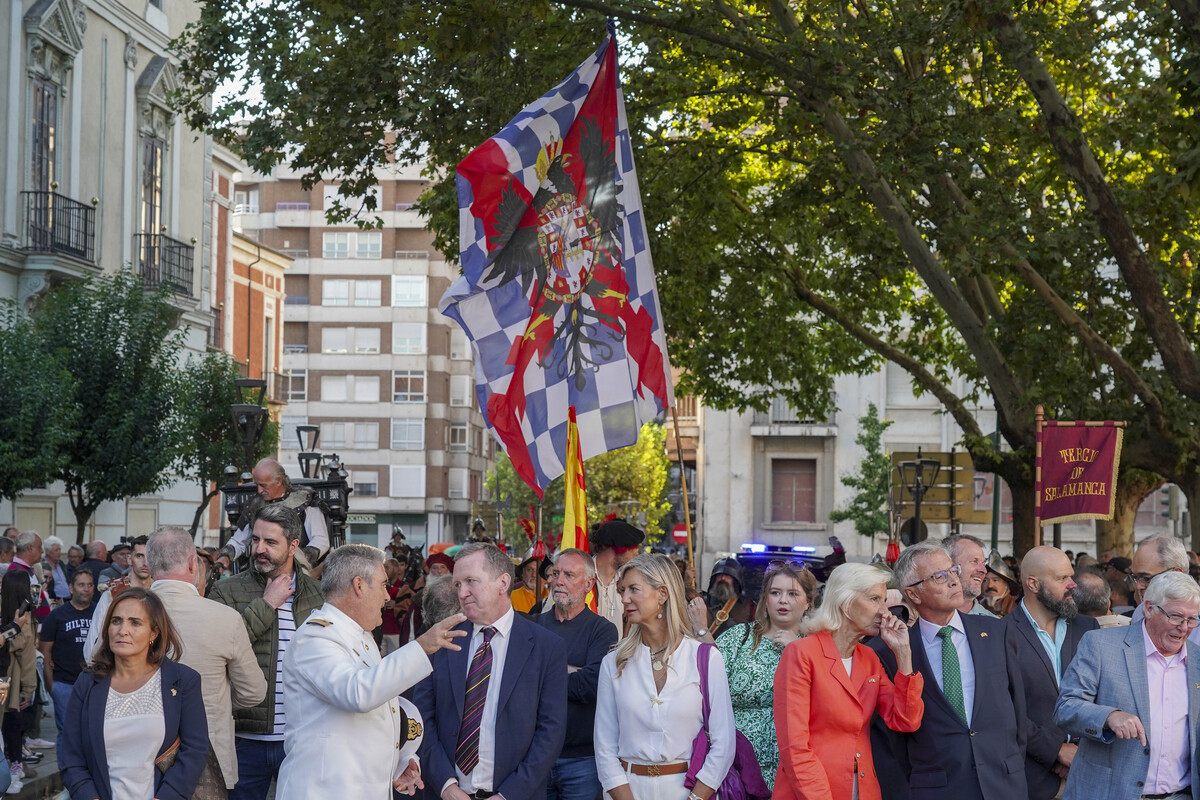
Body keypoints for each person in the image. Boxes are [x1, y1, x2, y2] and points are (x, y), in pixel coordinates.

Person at [276, 545, 468, 799]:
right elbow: (359, 693)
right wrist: (420, 647)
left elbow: (375, 716)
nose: (388, 596)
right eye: (382, 585)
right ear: (359, 585)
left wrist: (398, 764)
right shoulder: (314, 638)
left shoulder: (360, 637)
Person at [871, 541, 1027, 800]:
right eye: (939, 577)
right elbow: (894, 740)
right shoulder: (890, 651)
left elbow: (1019, 710)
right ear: (914, 594)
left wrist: (1012, 766)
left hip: (1004, 783)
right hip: (936, 788)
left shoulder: (998, 633)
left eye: (953, 571)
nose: (954, 581)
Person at [413, 542, 567, 800]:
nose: (462, 593)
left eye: (471, 581)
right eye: (458, 584)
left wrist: (509, 795)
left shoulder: (546, 647)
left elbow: (551, 731)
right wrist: (446, 786)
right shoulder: (441, 640)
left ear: (503, 583)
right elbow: (422, 719)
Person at [775, 563, 924, 800]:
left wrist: (903, 654)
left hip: (864, 789)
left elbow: (905, 721)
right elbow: (795, 748)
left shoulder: (869, 658)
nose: (885, 612)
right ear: (845, 603)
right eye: (875, 599)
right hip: (811, 791)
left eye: (884, 600)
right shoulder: (801, 653)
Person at [594, 553, 735, 800]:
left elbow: (724, 744)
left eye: (634, 589)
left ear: (662, 593)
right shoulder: (614, 663)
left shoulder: (704, 658)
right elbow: (604, 747)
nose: (625, 598)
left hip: (687, 790)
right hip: (626, 790)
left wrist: (695, 798)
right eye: (622, 590)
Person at [209, 503, 324, 800]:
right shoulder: (226, 591)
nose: (259, 549)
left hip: (302, 737)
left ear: (293, 546)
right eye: (255, 540)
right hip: (244, 739)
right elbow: (222, 650)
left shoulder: (319, 594)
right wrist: (266, 604)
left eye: (270, 542)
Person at [1054, 571, 1200, 800]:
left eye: (1192, 619)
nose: (1184, 627)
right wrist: (1108, 716)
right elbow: (1065, 707)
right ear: (1149, 609)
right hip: (1110, 794)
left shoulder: (1197, 660)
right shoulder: (1101, 645)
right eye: (1176, 616)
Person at [148, 526, 267, 796]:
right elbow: (254, 691)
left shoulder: (120, 614)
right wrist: (219, 699)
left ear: (149, 564)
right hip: (208, 760)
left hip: (140, 758)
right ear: (193, 564)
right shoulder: (225, 618)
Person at [58, 588, 209, 800]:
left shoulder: (183, 681)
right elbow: (71, 757)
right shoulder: (88, 683)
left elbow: (195, 751)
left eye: (135, 623)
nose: (123, 630)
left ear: (154, 633)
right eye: (116, 621)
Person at [1003, 546, 1098, 800]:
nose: (1072, 585)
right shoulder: (1001, 634)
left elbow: (1103, 696)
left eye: (1071, 576)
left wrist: (1078, 751)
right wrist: (1056, 750)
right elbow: (1003, 710)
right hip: (1033, 780)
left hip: (1087, 773)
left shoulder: (1088, 628)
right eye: (1061, 578)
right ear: (1033, 584)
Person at [714, 563, 816, 792]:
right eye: (775, 593)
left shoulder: (819, 647)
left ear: (808, 601)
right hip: (735, 770)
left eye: (793, 594)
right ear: (765, 598)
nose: (783, 600)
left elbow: (829, 702)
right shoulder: (738, 639)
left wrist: (799, 651)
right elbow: (705, 691)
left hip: (794, 774)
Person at [535, 548, 619, 800]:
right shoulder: (534, 625)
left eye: (569, 575)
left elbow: (590, 685)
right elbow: (521, 682)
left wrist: (544, 671)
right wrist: (572, 670)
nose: (558, 581)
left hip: (582, 760)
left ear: (588, 584)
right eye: (555, 573)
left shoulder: (603, 630)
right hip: (536, 757)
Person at [217, 458, 330, 569]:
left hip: (299, 573)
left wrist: (297, 561)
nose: (259, 491)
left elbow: (320, 541)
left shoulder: (305, 501)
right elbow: (238, 541)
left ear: (279, 480)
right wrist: (225, 556)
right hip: (260, 571)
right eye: (257, 485)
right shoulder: (254, 505)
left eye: (263, 485)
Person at [39, 568, 96, 750]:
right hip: (64, 684)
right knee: (67, 732)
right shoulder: (57, 616)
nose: (86, 589)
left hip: (94, 683)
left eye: (89, 585)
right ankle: (67, 775)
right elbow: (45, 651)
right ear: (71, 588)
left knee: (93, 732)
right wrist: (52, 686)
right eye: (81, 585)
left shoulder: (100, 613)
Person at [83, 536, 152, 663]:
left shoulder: (160, 594)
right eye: (139, 556)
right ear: (129, 559)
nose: (145, 563)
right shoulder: (113, 594)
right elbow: (93, 640)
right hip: (116, 668)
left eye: (150, 557)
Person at [0, 572, 35, 790]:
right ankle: (12, 771)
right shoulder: (23, 615)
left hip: (7, 677)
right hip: (10, 680)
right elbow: (27, 655)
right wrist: (30, 688)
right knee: (12, 725)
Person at [591, 519, 644, 632]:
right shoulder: (579, 576)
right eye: (632, 547)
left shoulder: (627, 582)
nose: (636, 553)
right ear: (617, 548)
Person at [944, 535, 996, 618]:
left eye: (983, 563)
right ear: (949, 565)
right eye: (974, 561)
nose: (983, 570)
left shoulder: (995, 625)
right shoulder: (920, 618)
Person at [702, 558, 754, 638]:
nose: (723, 578)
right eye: (719, 575)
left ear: (735, 581)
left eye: (727, 576)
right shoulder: (703, 601)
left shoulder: (749, 606)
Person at [978, 551, 1019, 617]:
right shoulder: (977, 607)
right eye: (985, 580)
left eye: (995, 580)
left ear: (1006, 585)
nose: (990, 585)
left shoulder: (1018, 607)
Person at [42, 536, 69, 603]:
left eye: (60, 549)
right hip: (53, 601)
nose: (59, 552)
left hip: (66, 600)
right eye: (56, 550)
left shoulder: (61, 564)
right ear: (48, 551)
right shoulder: (42, 565)